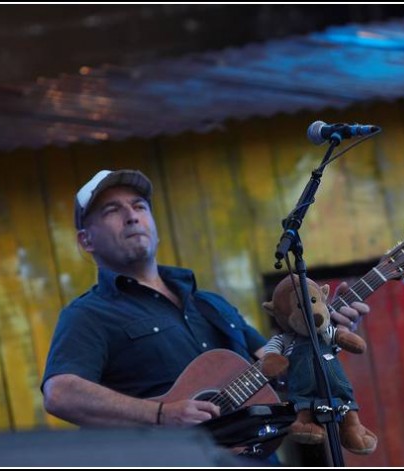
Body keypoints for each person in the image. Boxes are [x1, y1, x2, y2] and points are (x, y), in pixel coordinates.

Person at [41, 169, 370, 431]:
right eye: (112, 211)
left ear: (154, 226)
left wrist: (322, 339)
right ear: (86, 241)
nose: (131, 216)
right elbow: (61, 393)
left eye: (139, 206)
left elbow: (282, 373)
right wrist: (160, 413)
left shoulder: (212, 305)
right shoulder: (88, 314)